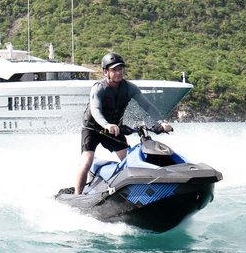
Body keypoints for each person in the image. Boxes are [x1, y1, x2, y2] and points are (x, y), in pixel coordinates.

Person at [74, 52, 173, 194]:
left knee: (129, 160)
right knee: (87, 161)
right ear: (105, 72)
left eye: (120, 69)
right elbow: (95, 110)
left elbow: (148, 106)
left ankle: (129, 191)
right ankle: (77, 195)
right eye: (114, 70)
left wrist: (161, 122)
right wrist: (106, 125)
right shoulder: (99, 88)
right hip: (93, 129)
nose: (118, 72)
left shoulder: (130, 88)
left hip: (114, 130)